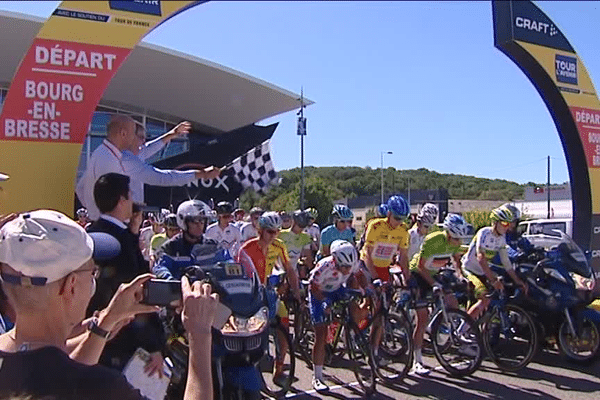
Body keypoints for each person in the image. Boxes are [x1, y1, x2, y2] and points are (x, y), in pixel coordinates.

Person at [0, 209, 218, 400]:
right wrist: (199, 335)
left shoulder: (17, 365)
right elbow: (70, 378)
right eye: (92, 271)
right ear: (71, 286)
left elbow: (55, 373)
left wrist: (105, 323)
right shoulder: (102, 387)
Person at [86, 173, 165, 374]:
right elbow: (137, 296)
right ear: (121, 200)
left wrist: (133, 232)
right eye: (129, 196)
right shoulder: (120, 242)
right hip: (123, 341)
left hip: (93, 333)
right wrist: (154, 345)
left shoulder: (92, 231)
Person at [237, 212, 301, 383]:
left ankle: (278, 369)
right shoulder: (246, 249)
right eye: (270, 232)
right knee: (256, 332)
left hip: (267, 291)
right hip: (250, 294)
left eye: (277, 232)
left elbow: (289, 269)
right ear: (261, 231)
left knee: (285, 324)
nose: (274, 236)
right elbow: (240, 276)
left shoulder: (279, 246)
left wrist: (297, 292)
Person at [408, 213, 468, 375]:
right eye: (455, 239)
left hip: (434, 273)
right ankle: (417, 361)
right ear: (447, 234)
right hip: (418, 274)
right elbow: (421, 267)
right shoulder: (432, 240)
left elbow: (456, 259)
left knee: (453, 302)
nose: (458, 242)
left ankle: (440, 327)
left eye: (459, 239)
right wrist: (433, 284)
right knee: (422, 318)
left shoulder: (456, 241)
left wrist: (460, 275)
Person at [122, 122, 221, 205]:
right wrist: (202, 174)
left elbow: (152, 146)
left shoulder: (134, 153)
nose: (144, 141)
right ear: (129, 137)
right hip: (124, 213)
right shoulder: (126, 159)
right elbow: (162, 177)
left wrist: (173, 133)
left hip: (131, 211)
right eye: (141, 137)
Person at [461, 205, 529, 320]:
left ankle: (487, 326)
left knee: (499, 295)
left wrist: (518, 281)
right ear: (495, 222)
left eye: (509, 224)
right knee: (484, 298)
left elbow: (506, 263)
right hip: (469, 270)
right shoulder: (484, 233)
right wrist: (493, 280)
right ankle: (461, 331)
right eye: (504, 223)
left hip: (482, 272)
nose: (507, 227)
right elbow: (481, 258)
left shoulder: (501, 239)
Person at [308, 240, 359, 392]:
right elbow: (313, 286)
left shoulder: (352, 264)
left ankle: (346, 333)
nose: (347, 269)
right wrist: (323, 301)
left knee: (354, 305)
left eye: (349, 266)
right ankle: (317, 377)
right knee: (321, 335)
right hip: (319, 292)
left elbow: (356, 276)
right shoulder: (324, 267)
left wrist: (363, 288)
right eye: (344, 266)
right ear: (335, 260)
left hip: (336, 289)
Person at [76, 115, 138, 221]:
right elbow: (116, 203)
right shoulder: (109, 159)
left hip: (102, 222)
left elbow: (80, 188)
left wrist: (93, 211)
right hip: (112, 226)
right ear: (123, 133)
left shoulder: (101, 153)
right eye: (133, 133)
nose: (134, 138)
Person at [152, 200, 227, 280]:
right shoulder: (170, 248)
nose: (199, 225)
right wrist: (171, 280)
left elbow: (228, 262)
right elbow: (160, 268)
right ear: (183, 222)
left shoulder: (214, 246)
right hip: (179, 290)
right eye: (195, 221)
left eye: (202, 221)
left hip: (209, 289)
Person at [359, 195, 411, 284]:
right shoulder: (375, 226)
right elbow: (368, 254)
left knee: (387, 295)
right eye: (397, 218)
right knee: (370, 293)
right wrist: (375, 277)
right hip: (367, 265)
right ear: (389, 214)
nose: (399, 222)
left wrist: (408, 278)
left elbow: (403, 256)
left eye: (403, 219)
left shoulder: (403, 229)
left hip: (384, 266)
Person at [278, 210, 314, 279]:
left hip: (293, 272)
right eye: (300, 225)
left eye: (303, 226)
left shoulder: (306, 237)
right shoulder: (281, 234)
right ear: (293, 222)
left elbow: (308, 255)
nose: (301, 229)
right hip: (279, 270)